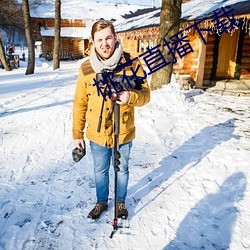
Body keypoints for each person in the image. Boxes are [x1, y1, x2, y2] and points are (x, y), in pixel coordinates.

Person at [72, 20, 150, 220]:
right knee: (100, 170)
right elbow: (80, 102)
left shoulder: (132, 63)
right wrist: (77, 134)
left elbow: (146, 95)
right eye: (99, 40)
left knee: (122, 168)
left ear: (116, 38)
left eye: (108, 38)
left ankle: (121, 202)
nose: (104, 43)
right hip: (97, 133)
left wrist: (130, 97)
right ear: (93, 42)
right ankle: (101, 202)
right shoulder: (87, 68)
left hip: (123, 130)